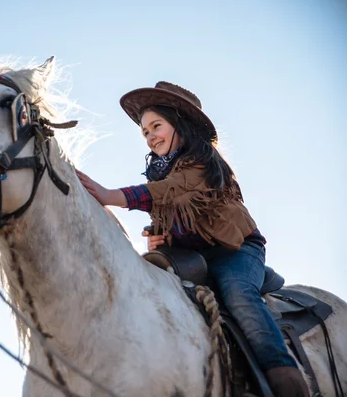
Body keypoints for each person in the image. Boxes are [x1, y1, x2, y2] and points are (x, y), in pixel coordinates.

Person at [76, 82, 309, 397]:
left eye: (156, 126)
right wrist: (158, 241)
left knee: (239, 294)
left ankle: (286, 380)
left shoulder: (202, 166)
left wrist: (110, 196)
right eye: (145, 132)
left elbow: (170, 192)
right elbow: (164, 216)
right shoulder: (160, 173)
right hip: (194, 259)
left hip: (236, 252)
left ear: (180, 125)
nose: (150, 135)